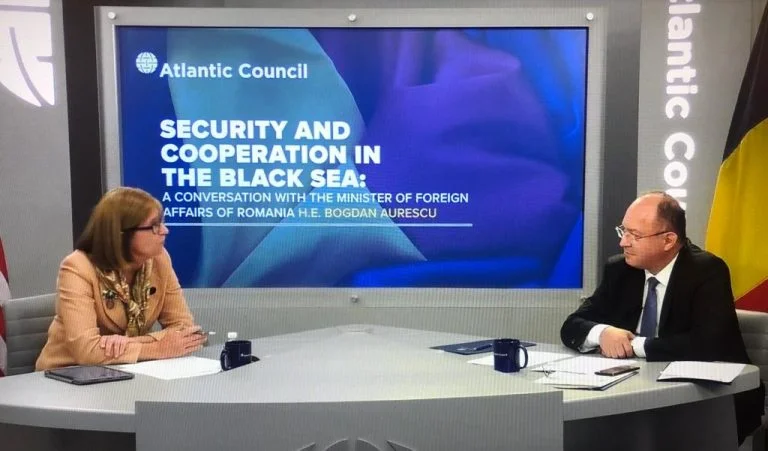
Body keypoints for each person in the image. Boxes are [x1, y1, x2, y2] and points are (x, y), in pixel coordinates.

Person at [560, 191, 764, 445]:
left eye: (634, 235)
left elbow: (707, 344)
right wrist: (602, 333)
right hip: (636, 392)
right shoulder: (620, 269)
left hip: (711, 397)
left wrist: (633, 345)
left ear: (668, 240)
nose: (623, 242)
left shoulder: (706, 271)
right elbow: (571, 326)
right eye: (623, 231)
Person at [35, 187, 207, 370]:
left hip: (127, 368)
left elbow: (185, 329)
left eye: (162, 223)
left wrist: (129, 343)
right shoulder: (77, 267)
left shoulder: (159, 259)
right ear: (121, 234)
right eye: (154, 226)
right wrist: (157, 348)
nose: (165, 231)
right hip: (68, 371)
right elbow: (86, 351)